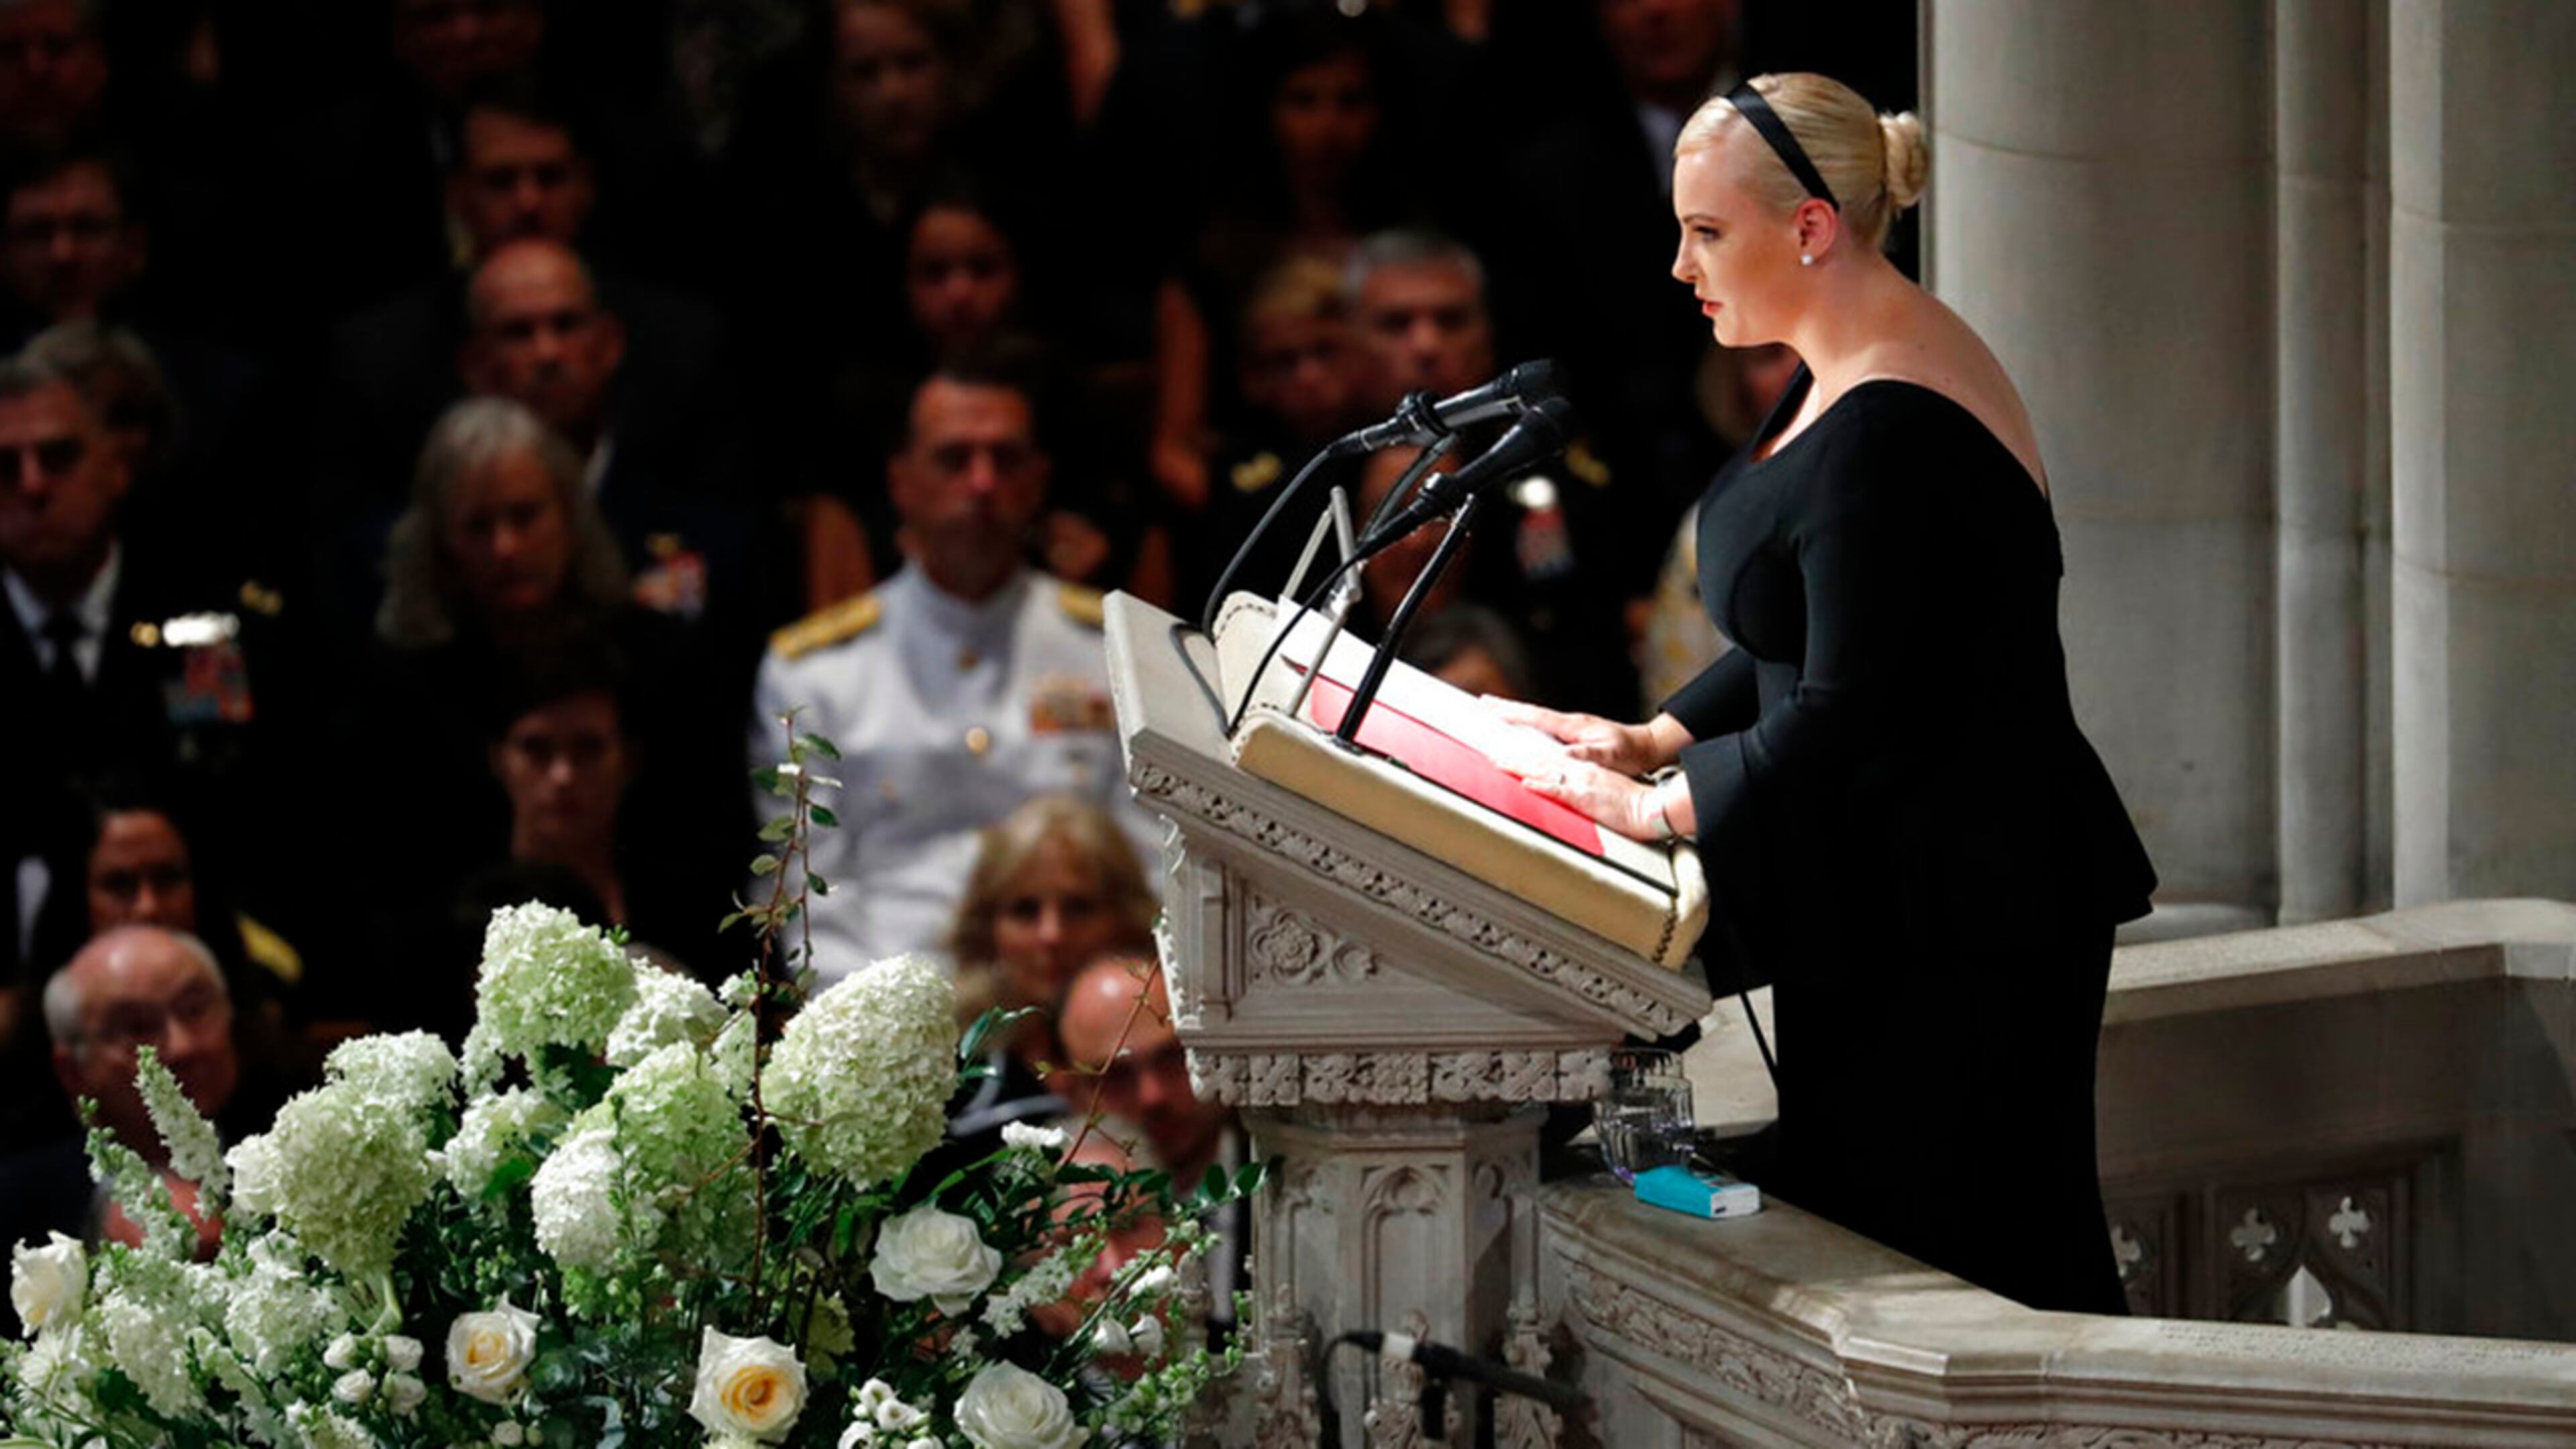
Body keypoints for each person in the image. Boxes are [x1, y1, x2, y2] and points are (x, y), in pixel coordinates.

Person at [1499, 74, 2155, 1316]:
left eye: (1706, 232)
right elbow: (1814, 622)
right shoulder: (1847, 358)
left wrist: (1655, 808)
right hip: (1899, 884)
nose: (1681, 265)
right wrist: (1655, 734)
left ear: (1807, 229)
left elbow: (1850, 703)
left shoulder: (1893, 419)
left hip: (1968, 912)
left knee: (1977, 1264)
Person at [749, 365, 1155, 978]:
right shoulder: (817, 674)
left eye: (1005, 459)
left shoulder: (1113, 649)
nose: (983, 482)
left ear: (1039, 480)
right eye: (954, 459)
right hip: (894, 1006)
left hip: (1082, 1011)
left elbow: (1150, 864)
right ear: (901, 481)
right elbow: (810, 894)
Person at [940, 794, 1158, 1152]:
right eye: (1026, 911)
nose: (1052, 935)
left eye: (1078, 908)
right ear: (987, 930)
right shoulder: (953, 1084)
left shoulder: (1172, 1067)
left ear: (1124, 919)